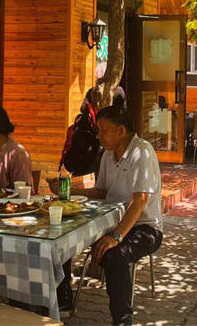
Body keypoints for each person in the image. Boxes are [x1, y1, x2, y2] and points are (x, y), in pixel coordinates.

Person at [47, 105, 163, 325]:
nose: (98, 135)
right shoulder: (108, 155)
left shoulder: (142, 151)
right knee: (62, 232)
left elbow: (140, 202)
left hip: (145, 227)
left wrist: (116, 236)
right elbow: (101, 192)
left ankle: (122, 319)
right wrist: (68, 189)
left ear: (121, 131)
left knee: (115, 255)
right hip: (111, 220)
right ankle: (63, 297)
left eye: (103, 130)